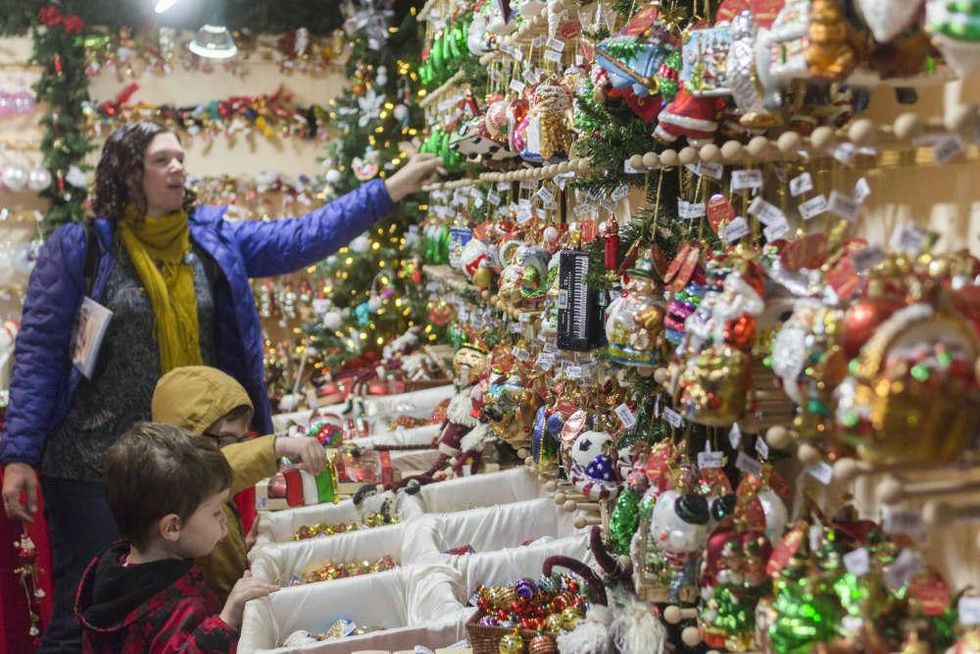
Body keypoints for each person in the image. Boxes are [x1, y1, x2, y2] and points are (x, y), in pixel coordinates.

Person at [0, 120, 442, 651]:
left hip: (184, 467)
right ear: (126, 172)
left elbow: (300, 237)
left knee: (179, 606)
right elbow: (40, 350)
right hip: (91, 469)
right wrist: (20, 453)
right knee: (89, 614)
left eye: (181, 157)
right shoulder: (81, 247)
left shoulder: (212, 240)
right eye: (162, 159)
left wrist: (388, 189)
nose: (178, 167)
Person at [75, 422, 279, 652]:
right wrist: (227, 620)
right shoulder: (174, 606)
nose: (224, 519)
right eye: (216, 511)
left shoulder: (114, 571)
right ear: (171, 527)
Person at [151, 364, 324, 602]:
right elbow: (209, 470)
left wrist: (243, 547)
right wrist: (276, 446)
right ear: (187, 439)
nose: (239, 448)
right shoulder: (177, 488)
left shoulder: (212, 493)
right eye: (228, 439)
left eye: (243, 439)